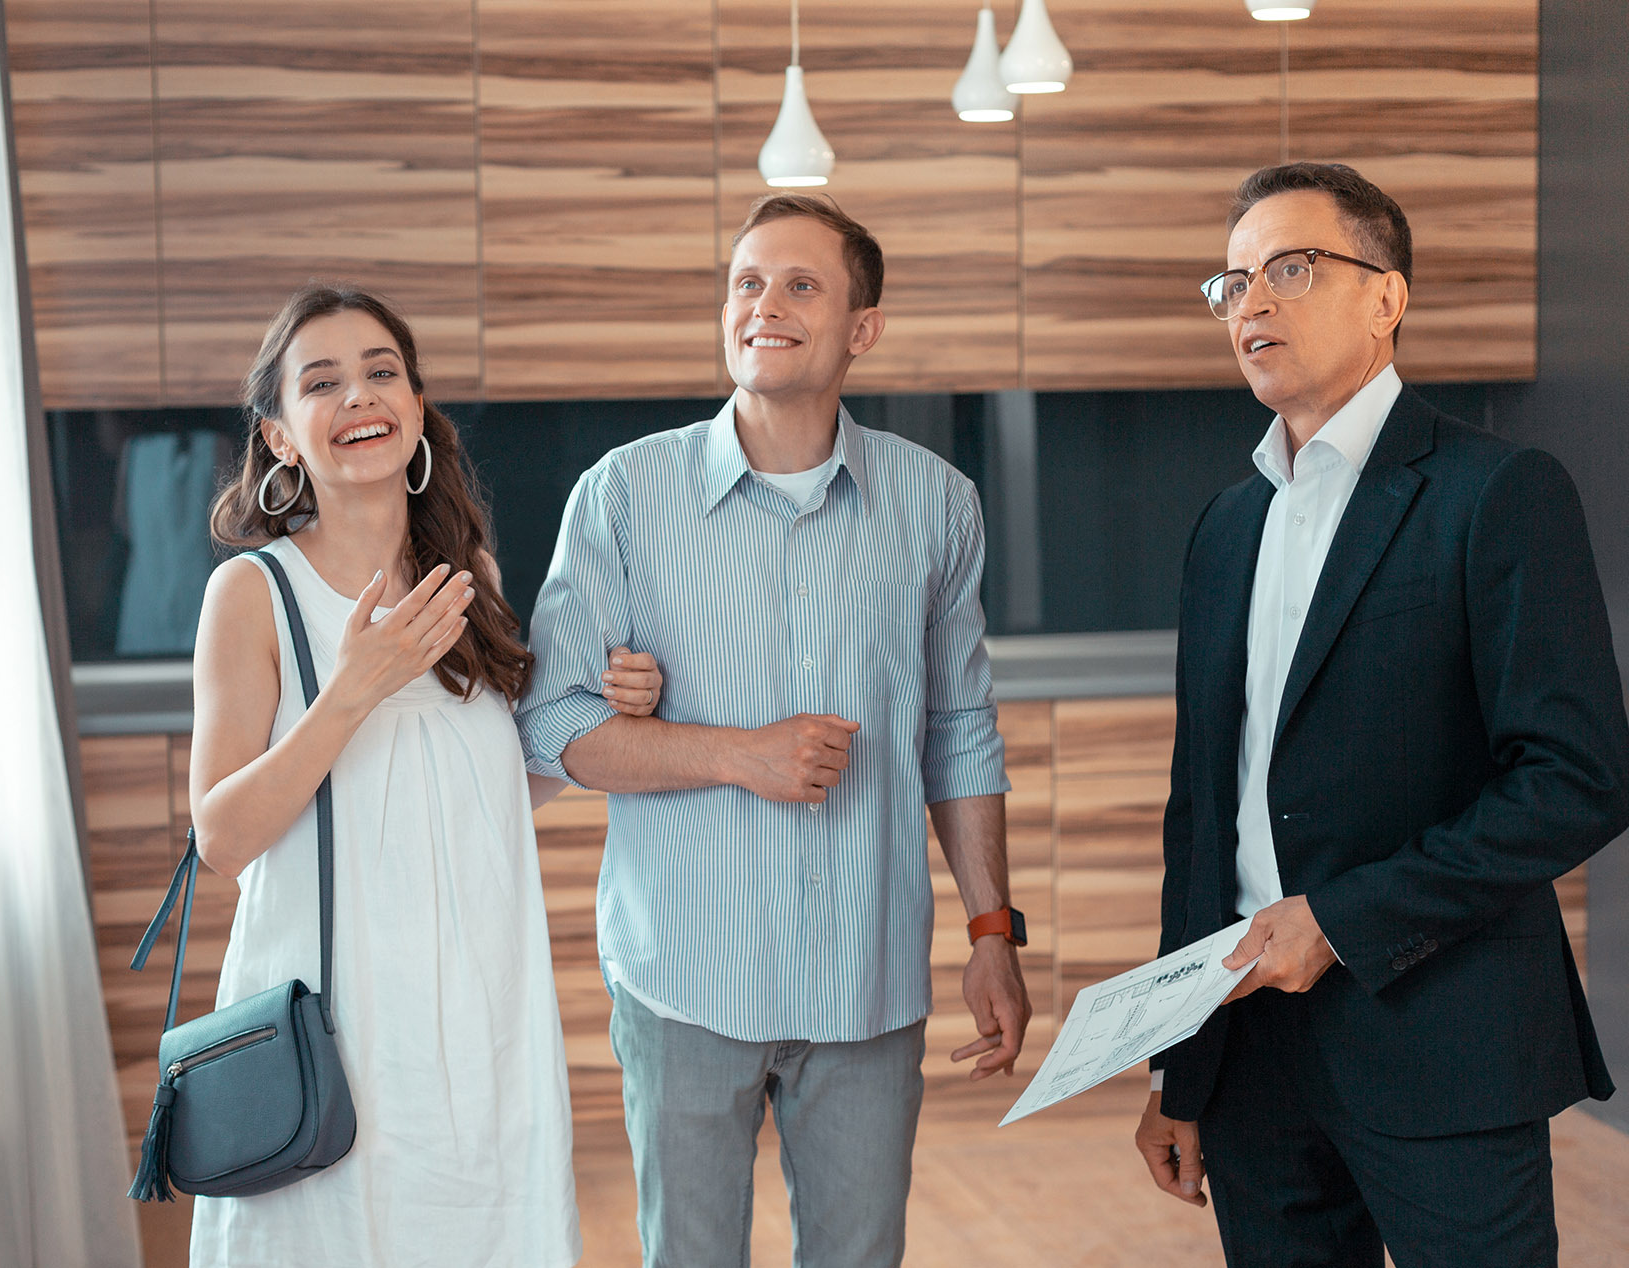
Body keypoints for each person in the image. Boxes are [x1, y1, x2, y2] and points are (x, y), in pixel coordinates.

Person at [517, 195, 1031, 1268]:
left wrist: (993, 930)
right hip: (684, 975)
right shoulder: (623, 495)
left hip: (866, 976)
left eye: (802, 285)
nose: (766, 305)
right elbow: (554, 724)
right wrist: (735, 751)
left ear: (862, 327)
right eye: (747, 282)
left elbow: (959, 729)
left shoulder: (938, 505)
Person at [1134, 162, 1629, 1266]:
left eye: (1291, 270)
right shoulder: (1225, 526)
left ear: (1386, 297)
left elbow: (1578, 777)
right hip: (1251, 1056)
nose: (1252, 304)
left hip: (1442, 1039)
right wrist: (1180, 1065)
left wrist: (1341, 921)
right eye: (1233, 283)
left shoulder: (1498, 490)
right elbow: (1200, 816)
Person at [182, 283, 662, 1267]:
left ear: (414, 405)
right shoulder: (254, 592)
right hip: (341, 1014)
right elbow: (221, 838)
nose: (358, 396)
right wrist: (353, 688)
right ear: (279, 436)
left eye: (381, 372)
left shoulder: (468, 575)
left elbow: (485, 786)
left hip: (481, 1006)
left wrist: (609, 714)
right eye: (322, 382)